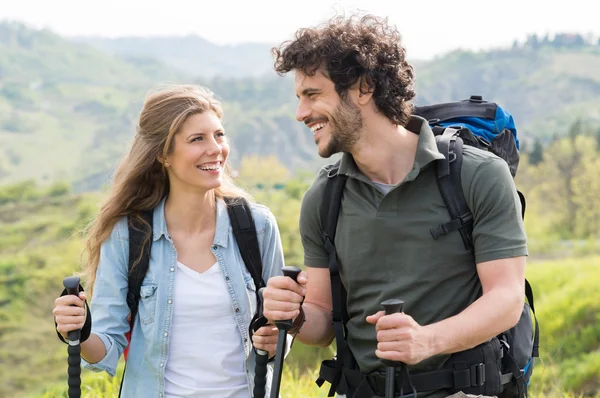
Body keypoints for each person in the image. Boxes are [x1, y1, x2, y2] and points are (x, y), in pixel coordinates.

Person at [262, 14, 528, 398]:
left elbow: (506, 299)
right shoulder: (324, 198)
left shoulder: (477, 176)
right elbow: (320, 323)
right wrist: (295, 314)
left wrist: (427, 341)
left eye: (313, 94)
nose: (301, 113)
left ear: (363, 87)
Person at [53, 84, 285, 397]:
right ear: (164, 154)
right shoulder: (128, 235)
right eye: (197, 139)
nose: (216, 148)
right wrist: (78, 330)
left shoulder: (257, 227)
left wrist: (277, 340)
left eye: (219, 135)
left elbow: (280, 332)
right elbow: (104, 348)